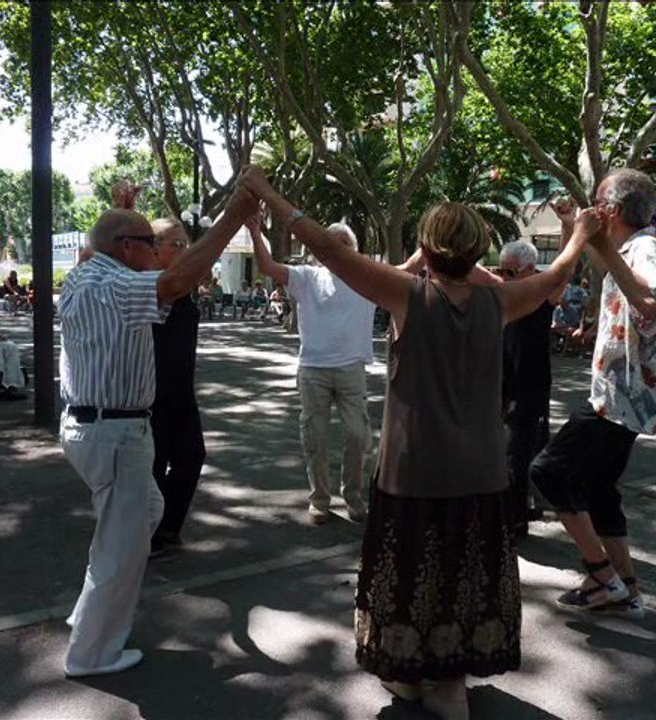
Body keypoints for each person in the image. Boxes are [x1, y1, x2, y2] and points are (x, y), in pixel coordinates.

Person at [238, 166, 591, 719]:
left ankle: (415, 673)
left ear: (425, 249)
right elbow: (555, 278)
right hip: (480, 472)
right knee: (465, 574)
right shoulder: (500, 303)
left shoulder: (407, 295)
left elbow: (328, 248)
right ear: (478, 250)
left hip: (413, 474)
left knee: (411, 573)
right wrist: (578, 235)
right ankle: (450, 680)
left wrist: (264, 192)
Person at [58, 187, 257, 678]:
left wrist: (117, 208)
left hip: (96, 426)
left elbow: (101, 248)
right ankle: (91, 654)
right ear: (127, 247)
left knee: (144, 512)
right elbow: (179, 279)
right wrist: (234, 215)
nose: (160, 250)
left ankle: (88, 619)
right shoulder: (118, 286)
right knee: (119, 550)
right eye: (151, 240)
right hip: (116, 430)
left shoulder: (83, 275)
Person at [530, 168, 656, 621]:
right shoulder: (631, 248)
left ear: (611, 210)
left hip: (620, 395)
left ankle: (602, 575)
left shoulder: (647, 248)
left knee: (550, 472)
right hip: (624, 394)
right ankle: (625, 586)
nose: (591, 210)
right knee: (597, 489)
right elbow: (605, 264)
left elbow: (649, 306)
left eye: (595, 203)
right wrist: (579, 225)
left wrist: (587, 234)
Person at [247, 210, 375, 525]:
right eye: (331, 242)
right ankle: (319, 499)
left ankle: (354, 498)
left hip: (352, 370)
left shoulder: (368, 277)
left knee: (358, 436)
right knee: (314, 437)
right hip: (313, 369)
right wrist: (253, 231)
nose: (338, 247)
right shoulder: (306, 276)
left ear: (354, 249)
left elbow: (404, 271)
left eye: (345, 243)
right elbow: (266, 267)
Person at [147, 216, 207, 557]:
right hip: (150, 394)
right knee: (153, 465)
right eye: (177, 244)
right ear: (153, 250)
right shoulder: (149, 286)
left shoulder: (183, 289)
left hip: (182, 392)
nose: (185, 250)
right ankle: (152, 534)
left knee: (191, 457)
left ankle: (167, 526)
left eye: (187, 244)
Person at [495, 239, 561, 538]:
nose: (504, 279)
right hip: (500, 381)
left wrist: (570, 228)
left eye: (511, 273)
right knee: (506, 451)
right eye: (502, 271)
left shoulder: (543, 293)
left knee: (516, 454)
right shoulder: (503, 292)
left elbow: (564, 271)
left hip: (529, 384)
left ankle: (515, 518)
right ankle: (517, 508)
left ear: (531, 270)